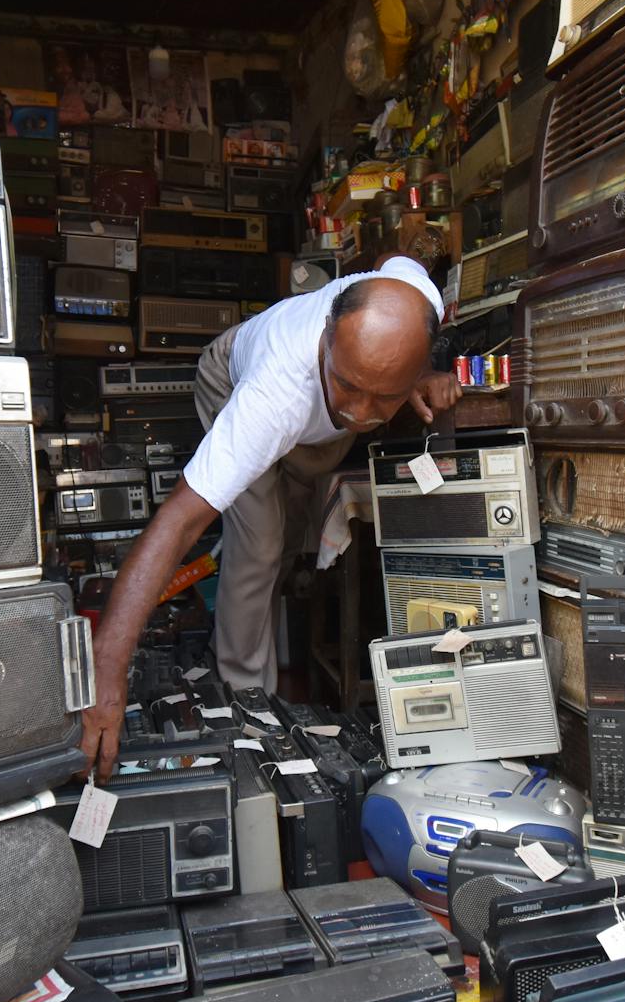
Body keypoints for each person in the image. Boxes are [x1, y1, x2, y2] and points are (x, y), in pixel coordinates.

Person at [80, 255, 462, 780]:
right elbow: (181, 520)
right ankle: (243, 702)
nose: (363, 413)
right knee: (259, 542)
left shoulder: (418, 300)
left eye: (386, 397)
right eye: (351, 386)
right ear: (326, 336)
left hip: (312, 431)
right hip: (234, 377)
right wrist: (107, 667)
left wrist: (426, 375)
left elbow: (397, 270)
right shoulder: (276, 393)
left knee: (291, 541)